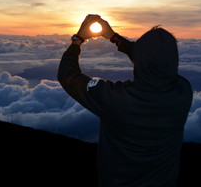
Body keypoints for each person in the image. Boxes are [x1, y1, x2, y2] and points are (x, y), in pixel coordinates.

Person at [58, 14, 193, 187]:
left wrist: (78, 39)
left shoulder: (114, 99)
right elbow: (155, 64)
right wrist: (114, 38)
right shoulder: (183, 92)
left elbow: (67, 75)